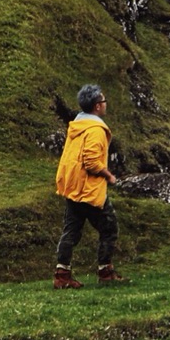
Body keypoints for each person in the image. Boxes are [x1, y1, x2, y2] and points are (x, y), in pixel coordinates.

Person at [53, 83, 123, 288]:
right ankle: (105, 272)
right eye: (103, 100)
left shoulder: (77, 125)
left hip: (72, 186)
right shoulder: (95, 130)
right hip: (88, 188)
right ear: (97, 106)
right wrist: (108, 175)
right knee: (109, 227)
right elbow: (91, 162)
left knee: (71, 230)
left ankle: (62, 275)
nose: (105, 103)